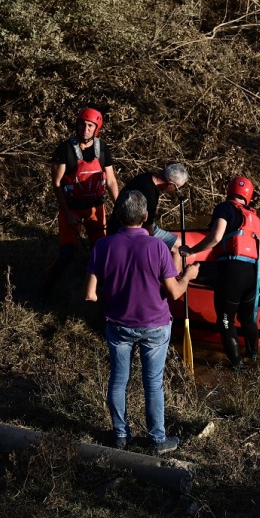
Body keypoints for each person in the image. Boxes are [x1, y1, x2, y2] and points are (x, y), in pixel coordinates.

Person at [85, 190, 199, 454]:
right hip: (155, 325)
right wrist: (189, 274)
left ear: (117, 215)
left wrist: (113, 291)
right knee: (153, 383)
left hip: (118, 324)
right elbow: (174, 292)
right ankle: (157, 440)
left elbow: (89, 295)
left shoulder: (102, 246)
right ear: (146, 217)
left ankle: (120, 436)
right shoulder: (158, 247)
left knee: (118, 380)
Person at [179, 176, 260, 369]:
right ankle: (255, 358)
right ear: (248, 196)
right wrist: (259, 280)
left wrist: (191, 251)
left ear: (229, 191)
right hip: (253, 273)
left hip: (232, 271)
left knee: (225, 321)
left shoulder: (225, 208)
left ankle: (237, 367)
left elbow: (216, 237)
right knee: (247, 319)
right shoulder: (255, 217)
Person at [41, 107, 120, 296]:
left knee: (101, 252)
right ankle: (45, 289)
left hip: (96, 208)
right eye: (82, 124)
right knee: (66, 254)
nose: (85, 128)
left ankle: (97, 290)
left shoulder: (103, 149)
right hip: (72, 209)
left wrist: (119, 207)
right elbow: (57, 184)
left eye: (90, 125)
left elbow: (110, 181)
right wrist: (67, 214)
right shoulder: (65, 149)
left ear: (96, 128)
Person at [106, 163, 189, 252]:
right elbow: (147, 226)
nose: (176, 191)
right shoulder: (150, 197)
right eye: (177, 188)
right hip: (132, 228)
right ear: (170, 184)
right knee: (179, 245)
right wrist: (153, 244)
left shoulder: (146, 176)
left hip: (116, 224)